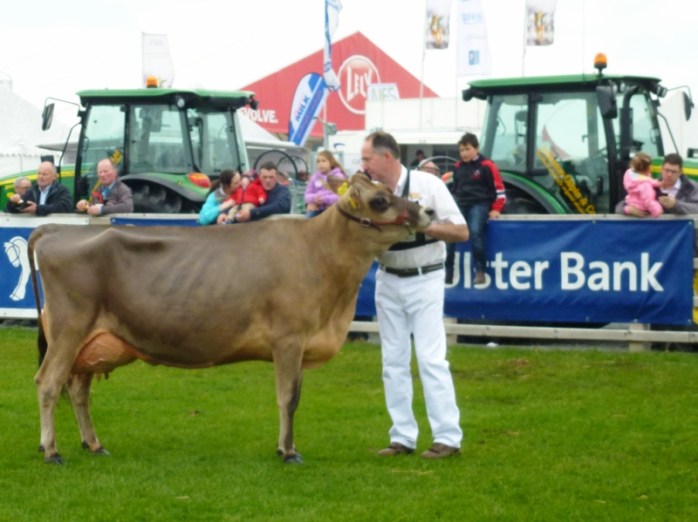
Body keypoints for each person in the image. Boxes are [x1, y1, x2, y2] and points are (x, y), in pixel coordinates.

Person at [361, 131, 469, 459]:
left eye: (367, 159)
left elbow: (461, 231)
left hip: (425, 278)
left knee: (430, 358)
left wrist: (423, 227)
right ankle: (402, 437)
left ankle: (448, 437)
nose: (364, 165)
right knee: (392, 361)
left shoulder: (429, 185)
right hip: (387, 278)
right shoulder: (369, 191)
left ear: (387, 158)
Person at [445, 132, 506, 285]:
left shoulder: (488, 165)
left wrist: (496, 209)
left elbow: (499, 190)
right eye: (461, 150)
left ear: (476, 148)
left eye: (467, 149)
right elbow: (454, 189)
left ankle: (480, 271)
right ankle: (447, 272)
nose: (464, 153)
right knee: (450, 234)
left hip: (480, 203)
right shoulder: (457, 167)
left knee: (475, 232)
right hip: (460, 203)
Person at [616, 153, 698, 216]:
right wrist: (628, 209)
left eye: (673, 171)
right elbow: (619, 207)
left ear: (680, 172)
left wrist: (675, 205)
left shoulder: (691, 187)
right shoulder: (648, 185)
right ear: (661, 169)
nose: (669, 174)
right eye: (667, 170)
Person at [5, 161, 72, 215]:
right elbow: (20, 206)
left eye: (44, 174)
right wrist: (13, 203)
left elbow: (64, 208)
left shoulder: (62, 190)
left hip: (53, 229)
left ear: (54, 176)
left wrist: (38, 209)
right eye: (39, 173)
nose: (40, 177)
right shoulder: (32, 190)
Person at [304, 150, 347, 217]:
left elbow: (341, 195)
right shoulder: (315, 177)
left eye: (323, 161)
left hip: (333, 208)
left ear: (331, 162)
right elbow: (307, 193)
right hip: (317, 208)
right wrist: (314, 198)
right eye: (318, 162)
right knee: (308, 219)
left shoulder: (338, 177)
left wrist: (325, 199)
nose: (320, 164)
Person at [622, 152, 662, 217]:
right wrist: (657, 211)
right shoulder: (645, 185)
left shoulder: (631, 179)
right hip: (644, 212)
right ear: (648, 168)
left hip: (631, 204)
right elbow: (648, 201)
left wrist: (627, 209)